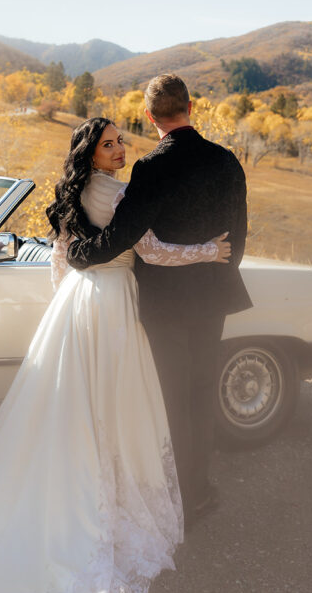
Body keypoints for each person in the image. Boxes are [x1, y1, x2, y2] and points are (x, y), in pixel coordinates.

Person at [0, 117, 231, 593]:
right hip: (113, 304)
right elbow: (152, 251)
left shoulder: (71, 196)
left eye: (120, 141)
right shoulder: (123, 196)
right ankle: (107, 496)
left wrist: (64, 310)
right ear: (91, 153)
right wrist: (209, 250)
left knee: (72, 406)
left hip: (77, 303)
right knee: (115, 404)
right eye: (109, 144)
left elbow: (59, 262)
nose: (119, 148)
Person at [67, 74, 251, 528]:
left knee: (171, 397)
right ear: (191, 106)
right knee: (202, 392)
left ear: (150, 117)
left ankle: (173, 496)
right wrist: (216, 270)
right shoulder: (228, 161)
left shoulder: (150, 169)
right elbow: (239, 237)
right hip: (212, 299)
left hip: (167, 304)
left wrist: (78, 254)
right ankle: (197, 494)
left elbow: (123, 237)